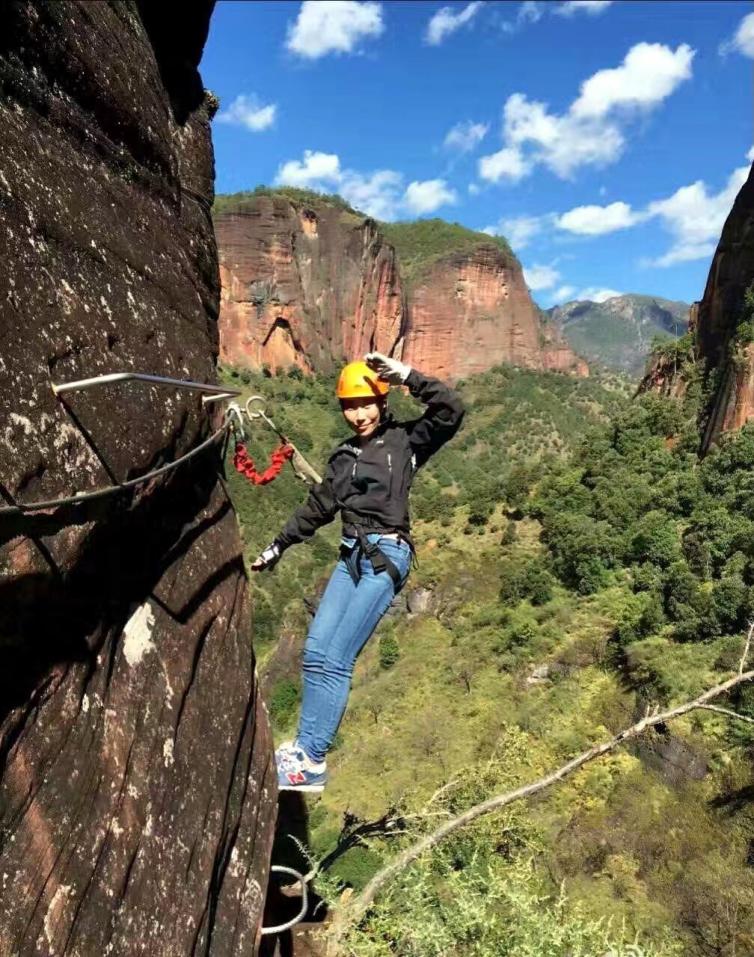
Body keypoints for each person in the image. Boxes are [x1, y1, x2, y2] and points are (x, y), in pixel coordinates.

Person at [252, 352, 464, 792]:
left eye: (367, 403)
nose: (359, 413)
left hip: (387, 554)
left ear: (382, 401)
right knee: (313, 652)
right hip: (350, 556)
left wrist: (408, 377)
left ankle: (312, 760)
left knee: (336, 659)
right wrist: (278, 546)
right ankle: (303, 745)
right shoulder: (342, 457)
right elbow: (317, 508)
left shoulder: (406, 441)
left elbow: (452, 411)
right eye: (350, 405)